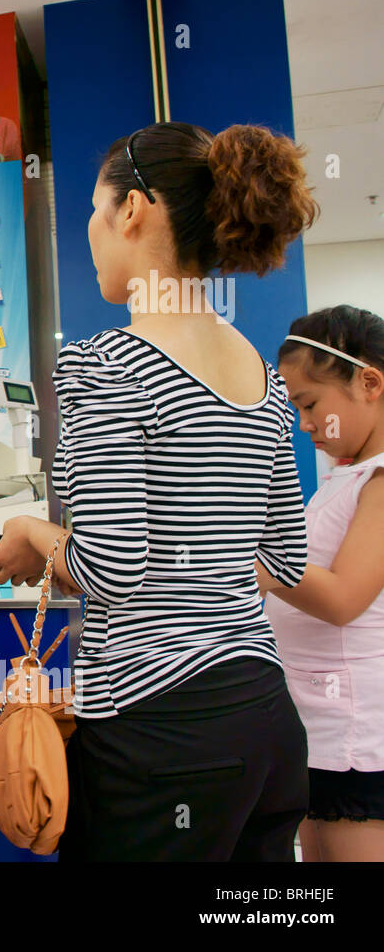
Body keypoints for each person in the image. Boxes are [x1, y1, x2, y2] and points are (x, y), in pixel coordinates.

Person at [0, 122, 318, 860]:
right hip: (266, 726)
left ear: (132, 210)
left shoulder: (106, 364)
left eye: (95, 213)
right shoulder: (261, 376)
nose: (90, 234)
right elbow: (287, 557)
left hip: (160, 740)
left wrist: (30, 531)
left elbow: (111, 569)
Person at [257, 305, 384, 861]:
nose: (303, 423)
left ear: (370, 383)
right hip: (320, 735)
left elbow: (341, 598)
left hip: (359, 739)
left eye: (310, 404)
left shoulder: (380, 481)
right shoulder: (344, 478)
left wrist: (253, 557)